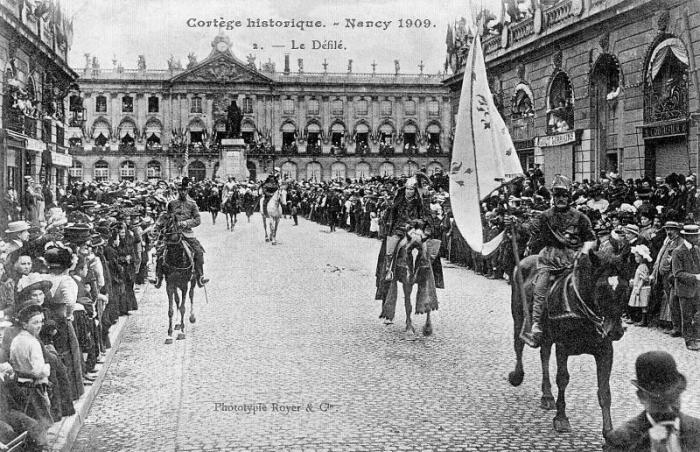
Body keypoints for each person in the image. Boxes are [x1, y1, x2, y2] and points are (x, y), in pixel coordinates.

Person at [523, 174, 596, 346]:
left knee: (595, 284)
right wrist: (515, 222)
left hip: (574, 259)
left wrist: (584, 252)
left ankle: (600, 322)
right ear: (553, 197)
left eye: (564, 195)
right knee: (540, 289)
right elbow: (530, 228)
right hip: (550, 259)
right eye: (557, 195)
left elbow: (591, 238)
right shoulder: (544, 216)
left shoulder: (580, 217)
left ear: (569, 197)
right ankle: (536, 325)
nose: (561, 199)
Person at [604, 351, 700, 451]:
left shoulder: (697, 430)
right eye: (660, 402)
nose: (669, 409)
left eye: (673, 398)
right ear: (641, 397)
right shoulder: (621, 440)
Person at [150, 177, 208, 288]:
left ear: (187, 191)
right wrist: (156, 226)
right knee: (160, 251)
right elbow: (164, 216)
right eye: (180, 190)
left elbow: (197, 220)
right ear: (178, 191)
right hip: (172, 233)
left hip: (187, 233)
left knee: (198, 251)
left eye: (184, 190)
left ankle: (200, 276)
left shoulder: (192, 204)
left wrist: (186, 223)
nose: (182, 192)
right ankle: (158, 278)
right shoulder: (172, 203)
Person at [671, 224, 700, 351]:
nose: (697, 238)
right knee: (687, 316)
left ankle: (696, 335)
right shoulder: (678, 252)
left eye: (697, 235)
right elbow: (677, 273)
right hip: (685, 289)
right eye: (695, 236)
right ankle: (689, 340)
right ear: (687, 237)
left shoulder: (697, 250)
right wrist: (695, 277)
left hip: (697, 288)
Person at [629, 245, 653, 327]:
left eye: (638, 257)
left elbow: (643, 279)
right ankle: (641, 319)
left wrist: (638, 288)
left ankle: (644, 320)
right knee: (641, 304)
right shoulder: (640, 266)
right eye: (635, 257)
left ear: (643, 257)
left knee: (644, 305)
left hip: (643, 288)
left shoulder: (642, 267)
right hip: (640, 287)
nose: (636, 258)